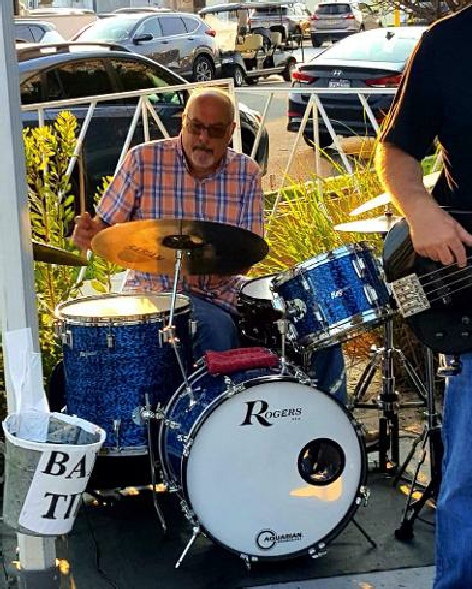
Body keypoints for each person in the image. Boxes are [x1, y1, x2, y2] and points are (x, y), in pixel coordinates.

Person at [73, 87, 346, 403]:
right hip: (156, 292)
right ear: (183, 121)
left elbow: (247, 251)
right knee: (214, 328)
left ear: (231, 131)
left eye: (215, 131)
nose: (203, 138)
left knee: (312, 320)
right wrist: (91, 233)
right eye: (196, 127)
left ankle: (330, 419)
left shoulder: (245, 172)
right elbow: (105, 229)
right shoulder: (143, 160)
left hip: (223, 289)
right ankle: (217, 422)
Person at [376, 8, 472, 588]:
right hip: (466, 288)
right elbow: (397, 150)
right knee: (470, 480)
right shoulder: (450, 41)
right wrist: (421, 212)